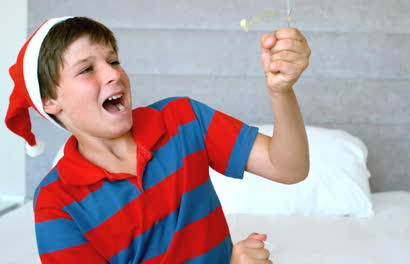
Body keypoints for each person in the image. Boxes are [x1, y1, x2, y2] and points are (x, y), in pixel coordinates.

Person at [5, 16, 310, 263]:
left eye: (113, 61)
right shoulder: (55, 202)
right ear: (49, 102)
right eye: (87, 69)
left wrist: (280, 91)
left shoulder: (184, 118)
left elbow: (288, 168)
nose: (113, 75)